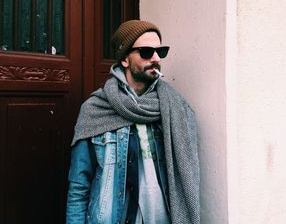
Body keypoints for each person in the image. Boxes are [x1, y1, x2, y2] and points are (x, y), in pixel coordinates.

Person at [66, 20, 200, 224]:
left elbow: (189, 176)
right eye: (146, 52)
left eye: (160, 51)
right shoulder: (95, 109)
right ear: (125, 60)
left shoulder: (174, 108)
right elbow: (79, 186)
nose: (155, 58)